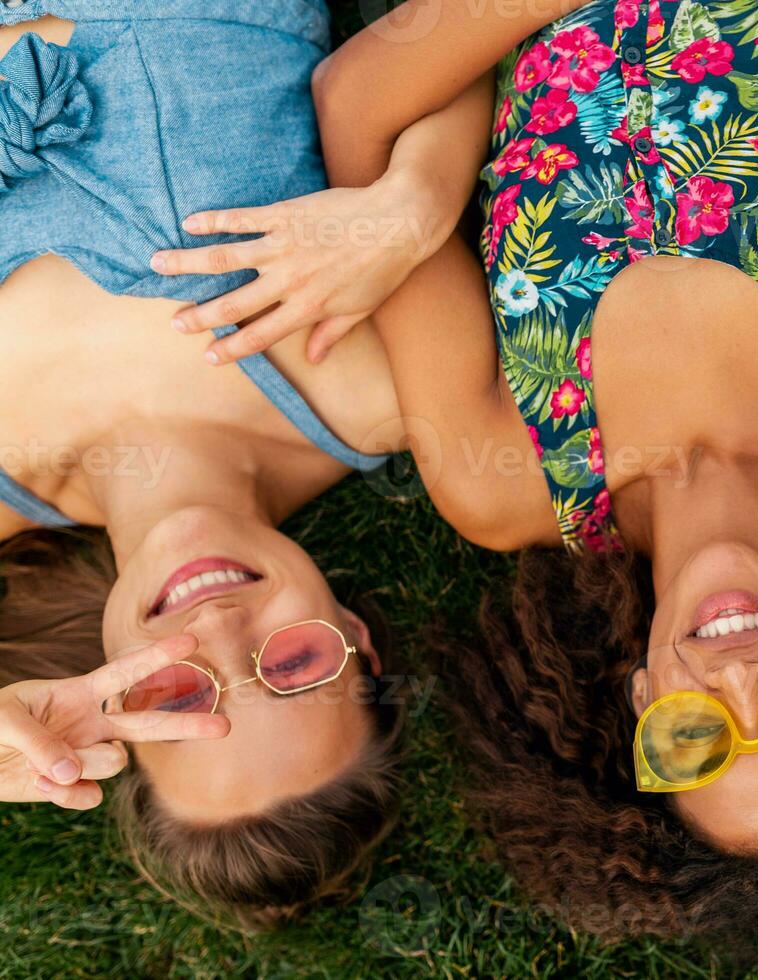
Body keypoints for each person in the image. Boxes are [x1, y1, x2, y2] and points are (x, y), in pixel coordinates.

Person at [151, 0, 758, 938]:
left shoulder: (502, 483)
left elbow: (358, 109)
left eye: (695, 738)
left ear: (639, 704)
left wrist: (417, 204)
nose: (741, 683)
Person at [0, 2, 413, 929]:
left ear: (106, 712)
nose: (221, 631)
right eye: (293, 665)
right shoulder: (369, 386)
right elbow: (417, 88)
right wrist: (413, 204)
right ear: (354, 635)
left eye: (180, 695)